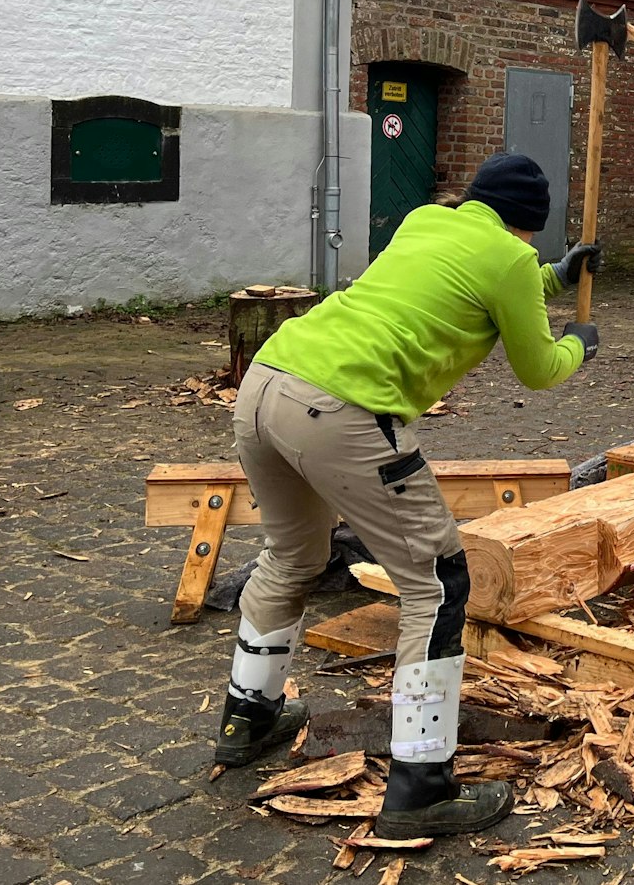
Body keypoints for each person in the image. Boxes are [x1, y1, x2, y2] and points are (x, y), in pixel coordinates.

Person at [211, 153, 602, 840]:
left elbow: (469, 275)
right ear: (527, 226)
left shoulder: (428, 220)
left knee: (291, 557)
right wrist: (578, 344)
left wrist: (556, 277)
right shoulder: (509, 261)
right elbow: (538, 368)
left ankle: (250, 717)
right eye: (536, 245)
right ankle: (421, 785)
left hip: (267, 382)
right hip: (342, 409)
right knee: (439, 581)